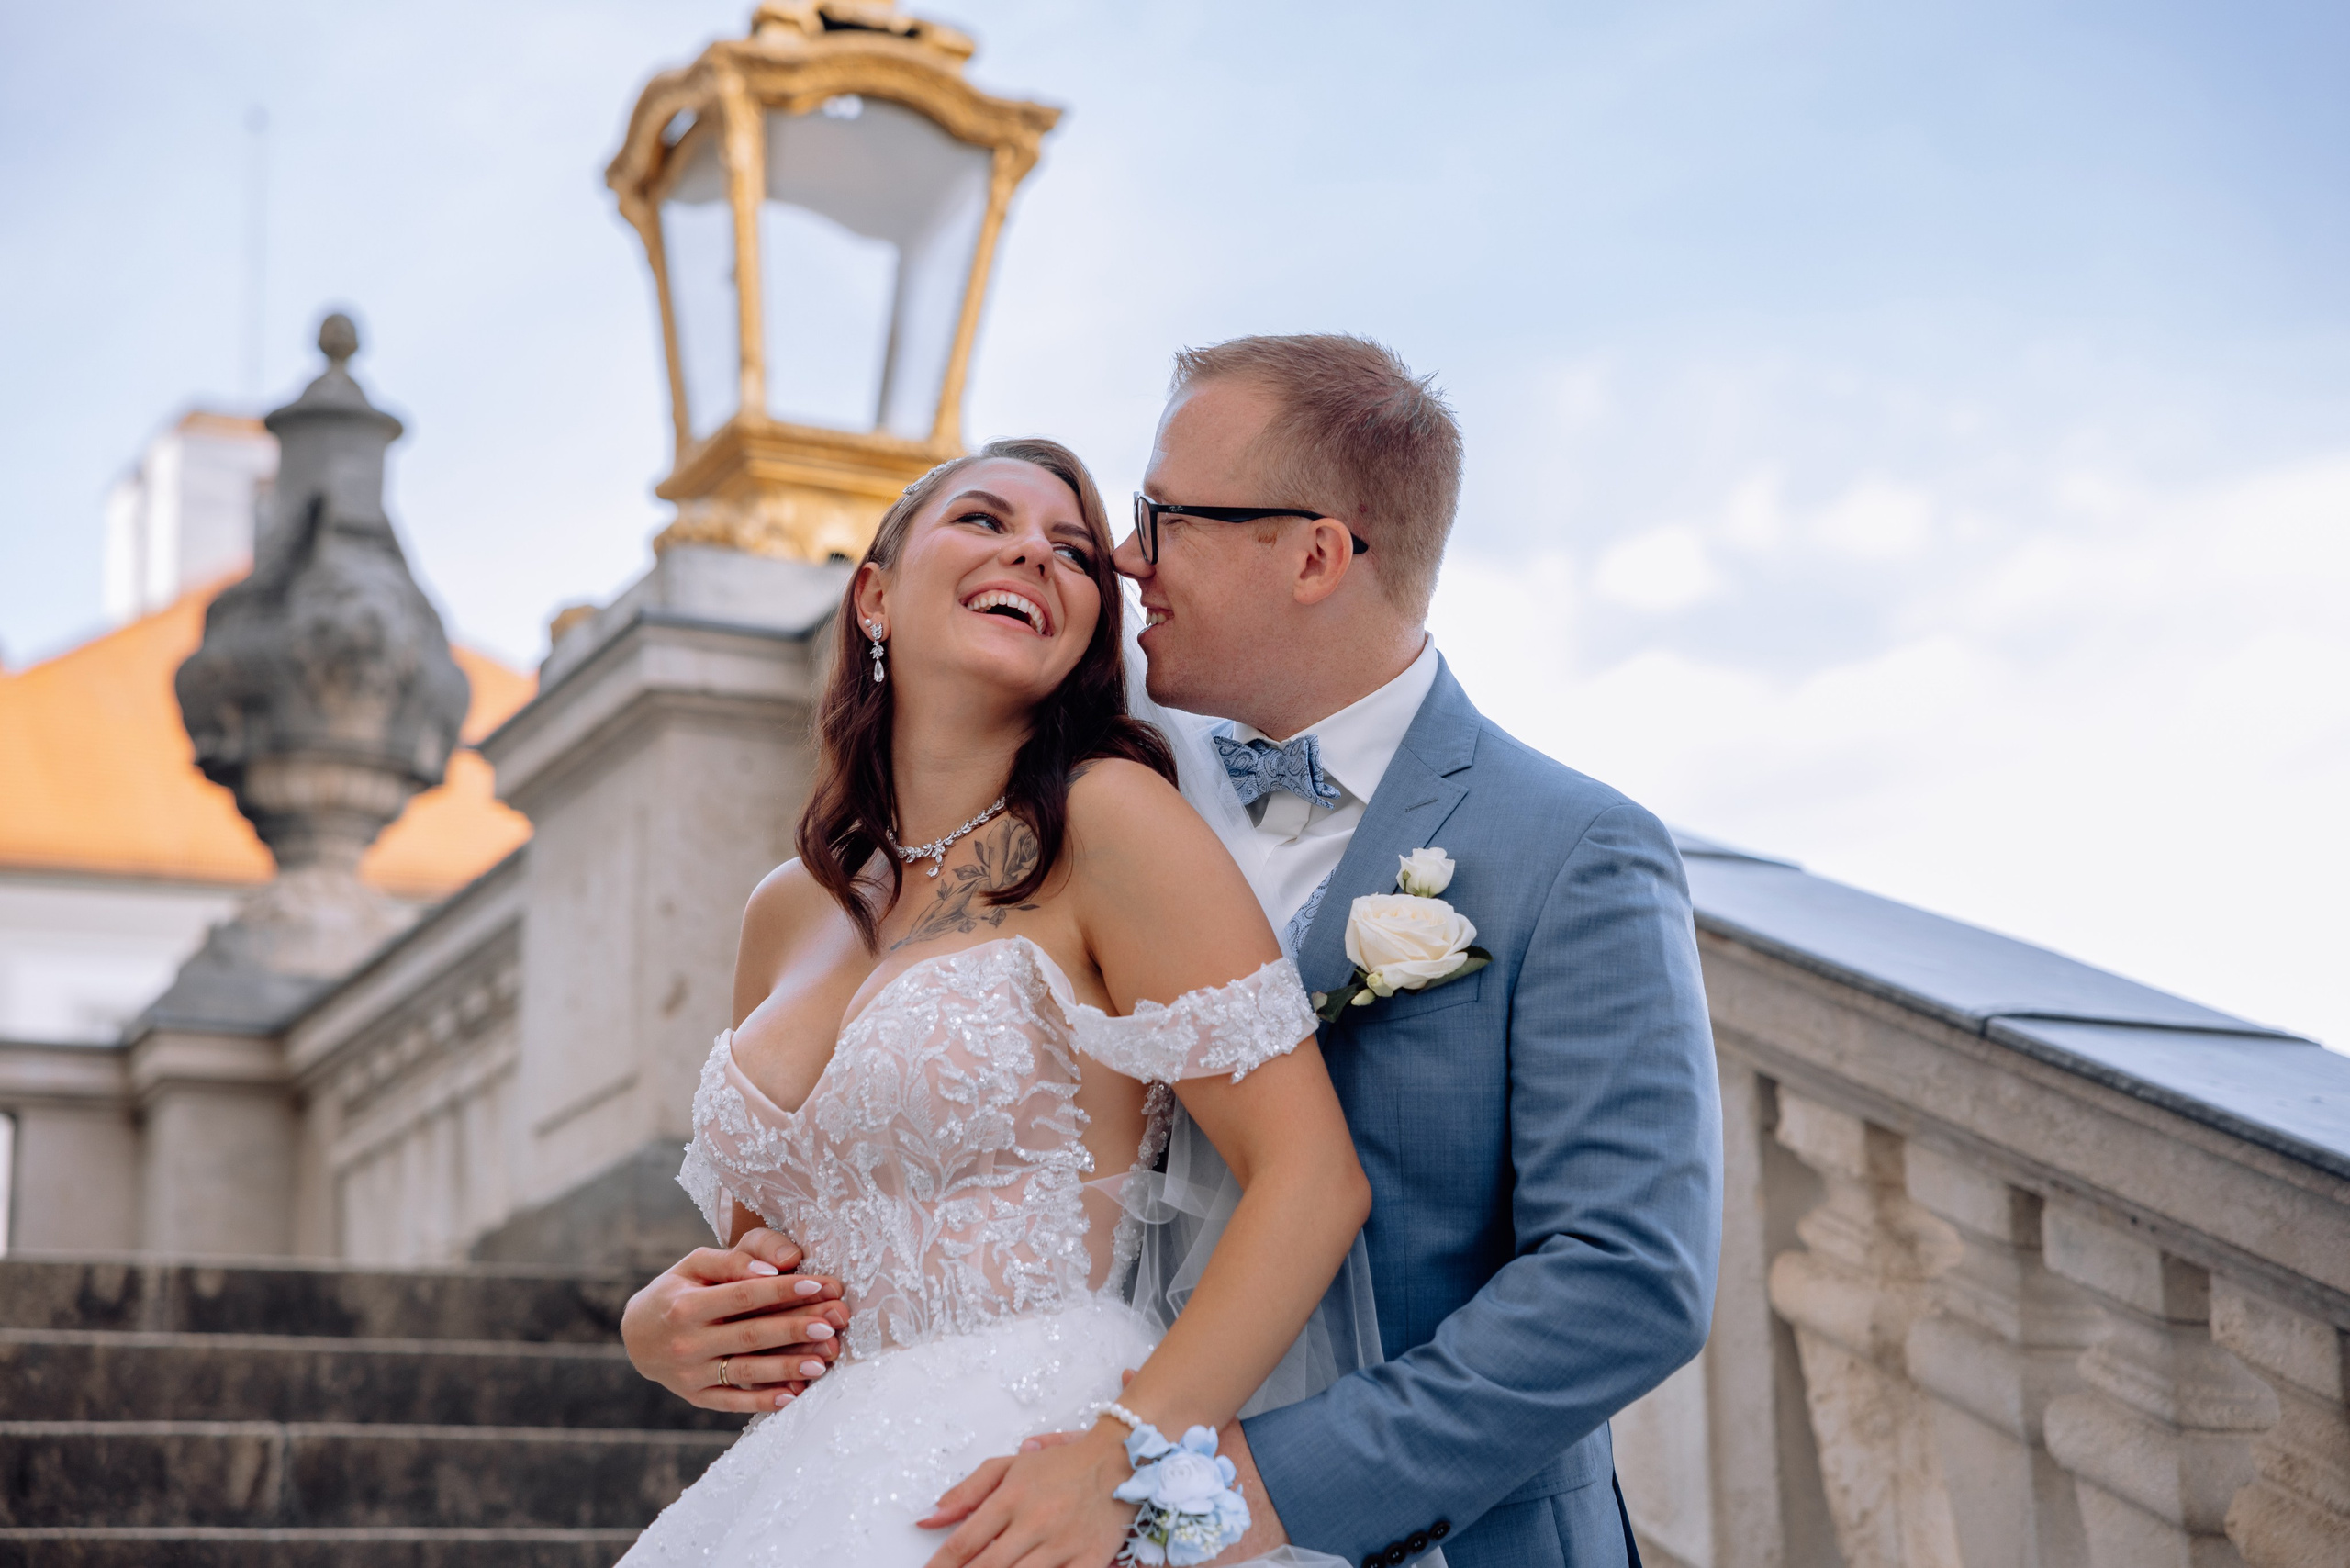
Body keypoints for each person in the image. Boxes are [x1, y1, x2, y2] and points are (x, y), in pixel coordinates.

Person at [629, 335, 1725, 1568]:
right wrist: (669, 1322)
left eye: (1158, 520)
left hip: (1406, 1534)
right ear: (873, 597)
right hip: (927, 1476)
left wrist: (1200, 1477)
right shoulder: (1109, 797)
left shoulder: (1566, 848)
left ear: (1314, 553)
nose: (1125, 557)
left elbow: (1628, 1278)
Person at [615, 436, 1372, 1568]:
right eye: (982, 520)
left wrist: (1128, 1451)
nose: (1035, 549)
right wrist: (662, 1328)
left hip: (1040, 1460)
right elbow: (779, 1266)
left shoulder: (1110, 823)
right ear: (874, 592)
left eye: (1073, 549)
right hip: (812, 1482)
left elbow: (1312, 1179)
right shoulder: (790, 906)